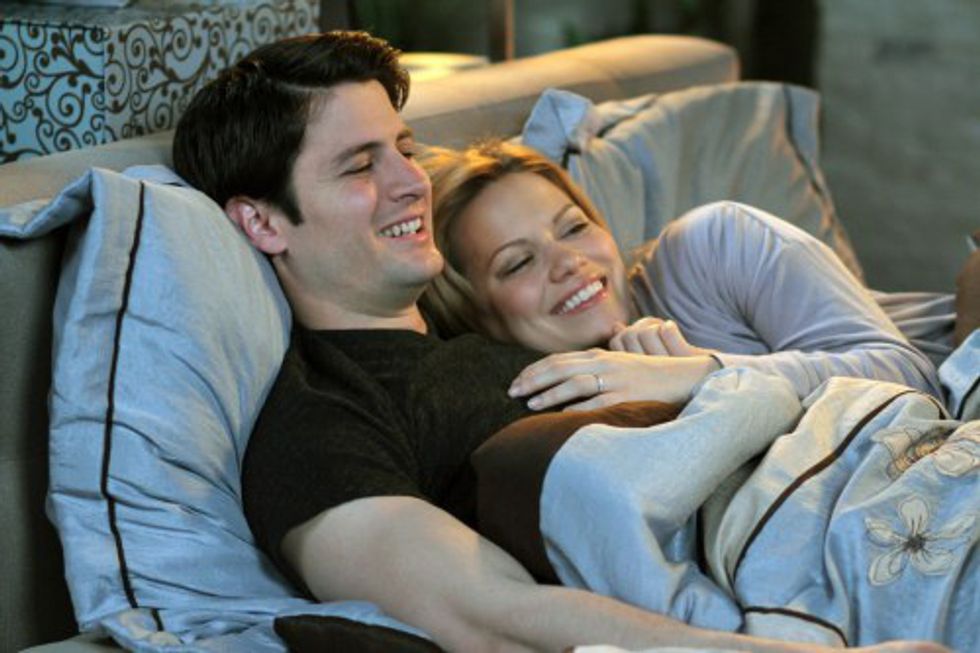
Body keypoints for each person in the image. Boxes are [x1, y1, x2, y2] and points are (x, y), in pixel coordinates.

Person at [172, 30, 947, 653]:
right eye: (358, 167)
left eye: (404, 148)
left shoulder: (521, 329)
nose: (410, 182)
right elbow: (487, 615)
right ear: (262, 221)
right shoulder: (321, 418)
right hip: (860, 568)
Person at [418, 140, 950, 411]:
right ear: (472, 315)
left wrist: (699, 375)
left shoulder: (715, 242)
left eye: (574, 227)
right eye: (519, 262)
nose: (568, 261)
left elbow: (914, 375)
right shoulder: (535, 409)